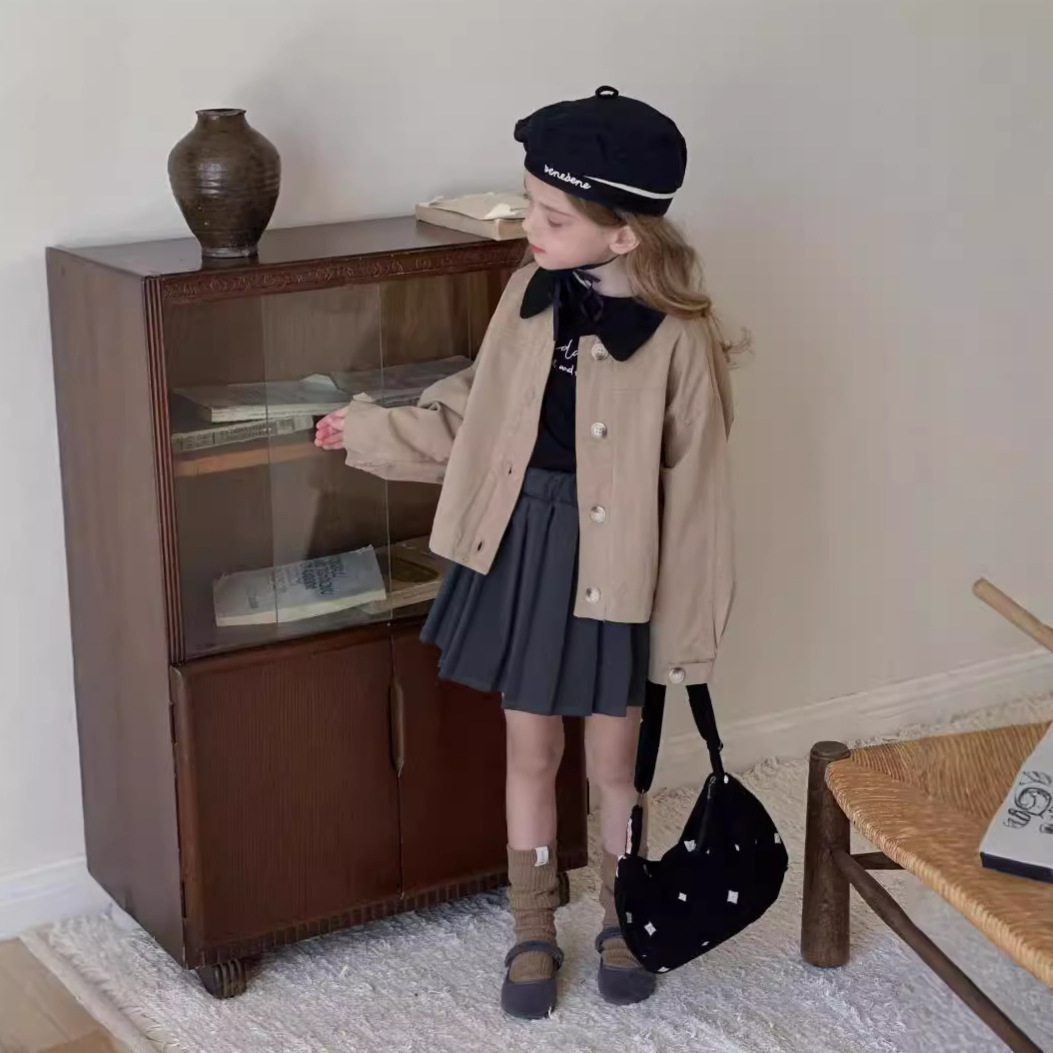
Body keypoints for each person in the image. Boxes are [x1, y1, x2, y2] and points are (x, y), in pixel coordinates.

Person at [315, 85, 738, 1019]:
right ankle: (533, 920)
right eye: (529, 205)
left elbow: (697, 498)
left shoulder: (679, 339)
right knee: (531, 747)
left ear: (623, 233)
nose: (529, 230)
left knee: (615, 760)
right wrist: (373, 431)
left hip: (619, 564)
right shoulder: (525, 295)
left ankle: (625, 910)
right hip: (523, 548)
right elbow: (477, 419)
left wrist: (685, 635)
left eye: (552, 216)